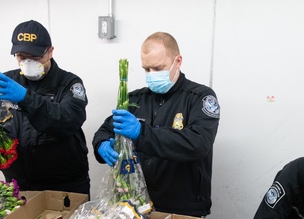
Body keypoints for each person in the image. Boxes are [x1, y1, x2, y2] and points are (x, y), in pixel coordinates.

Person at [92, 32, 220, 217]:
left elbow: (198, 143)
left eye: (158, 68)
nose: (151, 75)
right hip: (137, 203)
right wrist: (102, 145)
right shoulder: (135, 99)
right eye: (146, 69)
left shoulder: (199, 97)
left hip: (181, 206)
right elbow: (105, 130)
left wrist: (141, 132)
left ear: (178, 61)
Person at [0, 20, 90, 195]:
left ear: (50, 51)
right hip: (19, 185)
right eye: (21, 57)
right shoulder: (7, 82)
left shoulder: (69, 84)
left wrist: (26, 98)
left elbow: (67, 121)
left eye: (35, 58)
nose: (28, 63)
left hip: (64, 185)